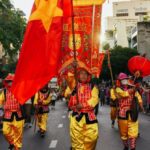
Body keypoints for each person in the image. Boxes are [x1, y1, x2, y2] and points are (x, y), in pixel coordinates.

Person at [68, 67, 99, 150]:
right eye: (81, 73)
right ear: (78, 75)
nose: (83, 75)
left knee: (93, 138)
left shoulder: (93, 87)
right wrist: (72, 68)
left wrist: (83, 105)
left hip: (90, 116)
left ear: (89, 75)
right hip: (76, 117)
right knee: (77, 140)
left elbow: (95, 100)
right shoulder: (73, 86)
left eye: (85, 73)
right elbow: (67, 92)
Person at [115, 73, 144, 150]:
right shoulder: (117, 89)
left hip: (132, 114)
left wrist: (141, 105)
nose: (124, 81)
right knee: (123, 134)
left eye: (126, 79)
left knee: (133, 133)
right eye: (123, 80)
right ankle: (126, 146)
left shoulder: (133, 88)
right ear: (119, 81)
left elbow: (138, 97)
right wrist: (132, 90)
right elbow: (124, 94)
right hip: (122, 115)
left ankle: (133, 148)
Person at [0, 73, 24, 150]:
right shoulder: (4, 92)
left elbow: (24, 98)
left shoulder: (20, 90)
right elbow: (0, 102)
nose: (9, 82)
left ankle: (17, 147)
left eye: (11, 81)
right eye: (8, 81)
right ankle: (12, 143)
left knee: (18, 134)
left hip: (18, 115)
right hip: (7, 115)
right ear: (6, 82)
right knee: (5, 131)